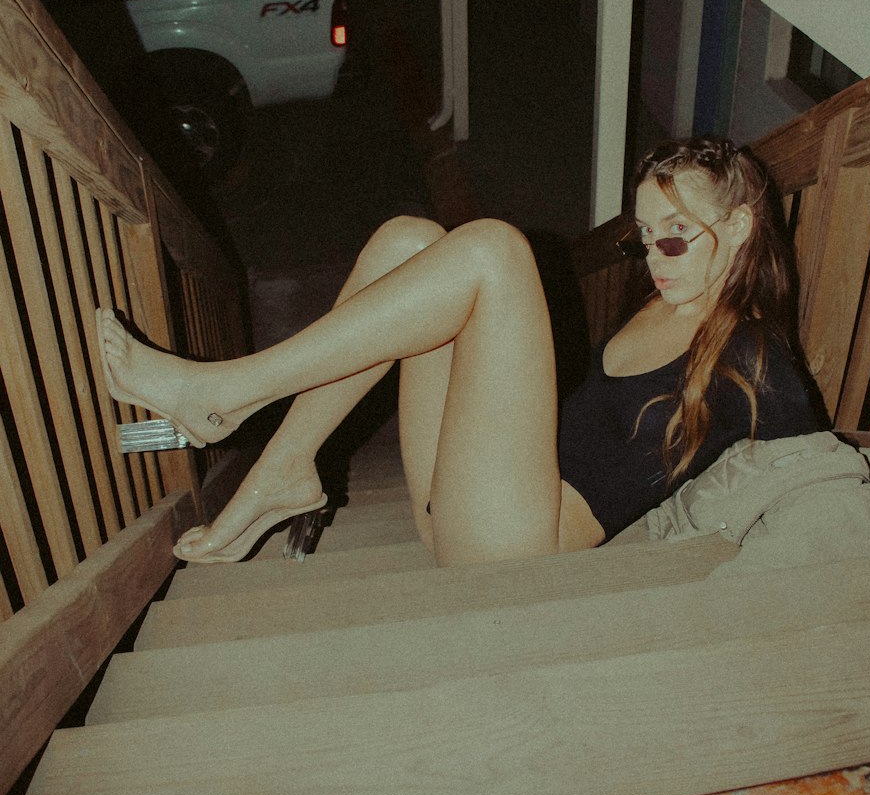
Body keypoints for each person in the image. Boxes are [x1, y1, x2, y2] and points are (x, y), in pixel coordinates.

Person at [96, 137, 822, 567]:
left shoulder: (756, 355)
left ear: (738, 226)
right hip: (467, 509)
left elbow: (819, 475)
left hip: (516, 554)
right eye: (643, 235)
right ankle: (284, 468)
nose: (654, 256)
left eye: (676, 233)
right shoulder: (662, 304)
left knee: (496, 252)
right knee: (406, 239)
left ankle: (229, 393)